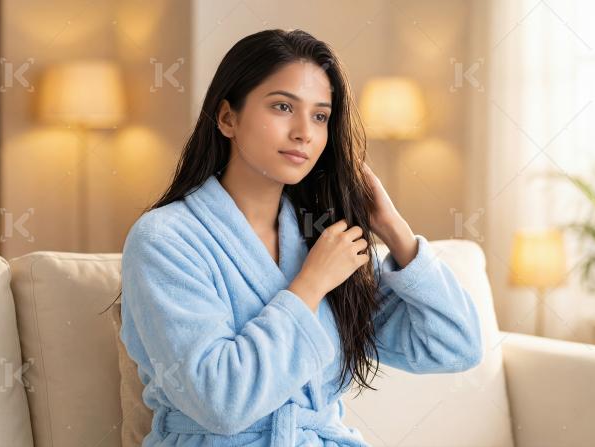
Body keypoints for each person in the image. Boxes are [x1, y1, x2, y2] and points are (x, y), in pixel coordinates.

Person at [118, 28, 483, 447]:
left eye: (320, 116)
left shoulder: (323, 237)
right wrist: (309, 286)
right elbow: (220, 402)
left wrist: (395, 230)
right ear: (227, 118)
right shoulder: (165, 239)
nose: (303, 133)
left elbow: (457, 346)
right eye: (282, 107)